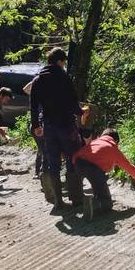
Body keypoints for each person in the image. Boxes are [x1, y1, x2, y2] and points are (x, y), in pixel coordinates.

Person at [30, 47, 84, 209]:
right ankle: (76, 199)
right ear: (60, 61)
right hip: (66, 124)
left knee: (53, 162)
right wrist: (82, 113)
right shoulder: (63, 77)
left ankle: (58, 201)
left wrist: (36, 125)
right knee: (72, 158)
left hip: (49, 126)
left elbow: (33, 105)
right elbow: (73, 101)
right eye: (64, 62)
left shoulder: (38, 80)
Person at [73, 128, 135, 218]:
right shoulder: (114, 150)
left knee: (92, 180)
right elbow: (130, 168)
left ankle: (85, 197)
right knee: (107, 204)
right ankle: (95, 205)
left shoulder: (94, 142)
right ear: (116, 141)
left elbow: (79, 154)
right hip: (94, 169)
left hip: (77, 163)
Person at [23, 80, 45, 179]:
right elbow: (25, 89)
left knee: (42, 148)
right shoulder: (36, 96)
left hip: (40, 125)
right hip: (38, 125)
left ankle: (39, 171)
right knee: (43, 148)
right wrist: (37, 79)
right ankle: (40, 171)